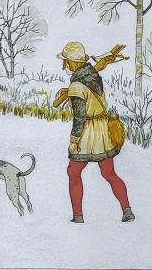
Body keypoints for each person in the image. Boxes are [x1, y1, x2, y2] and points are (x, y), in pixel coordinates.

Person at [53, 42, 133, 223]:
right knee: (109, 173)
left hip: (87, 133)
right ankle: (127, 210)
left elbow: (80, 118)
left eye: (66, 61)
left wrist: (74, 141)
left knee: (73, 173)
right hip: (103, 131)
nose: (64, 65)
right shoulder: (93, 75)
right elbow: (96, 69)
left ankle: (78, 216)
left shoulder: (76, 86)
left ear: (72, 63)